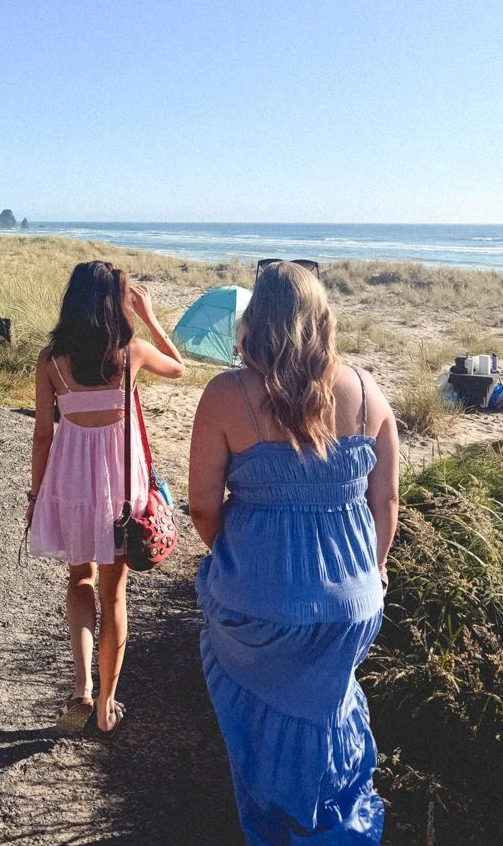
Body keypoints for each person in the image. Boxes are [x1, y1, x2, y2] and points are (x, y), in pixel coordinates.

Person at [189, 261, 399, 843]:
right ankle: (335, 826)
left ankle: (277, 819)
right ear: (322, 319)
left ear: (255, 320)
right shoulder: (366, 391)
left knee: (259, 712)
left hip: (258, 599)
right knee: (329, 711)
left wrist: (241, 556)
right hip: (353, 603)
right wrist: (375, 568)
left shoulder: (226, 394)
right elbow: (386, 502)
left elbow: (202, 507)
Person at [28, 261, 185, 735]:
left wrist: (36, 495)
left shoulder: (51, 361)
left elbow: (42, 435)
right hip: (122, 489)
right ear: (115, 303)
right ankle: (106, 704)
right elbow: (179, 368)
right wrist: (150, 317)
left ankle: (82, 686)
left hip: (72, 484)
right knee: (114, 592)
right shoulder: (131, 353)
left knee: (80, 578)